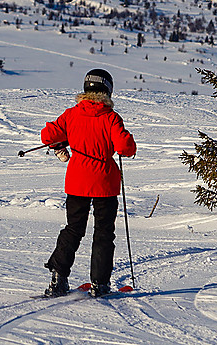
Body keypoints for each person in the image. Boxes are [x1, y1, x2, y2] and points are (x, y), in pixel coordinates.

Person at [40, 68, 136, 298]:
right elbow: (125, 148)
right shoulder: (111, 117)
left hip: (77, 181)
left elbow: (47, 136)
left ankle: (58, 278)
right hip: (104, 182)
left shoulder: (72, 114)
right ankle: (100, 284)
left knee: (73, 229)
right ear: (108, 89)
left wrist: (64, 141)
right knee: (103, 233)